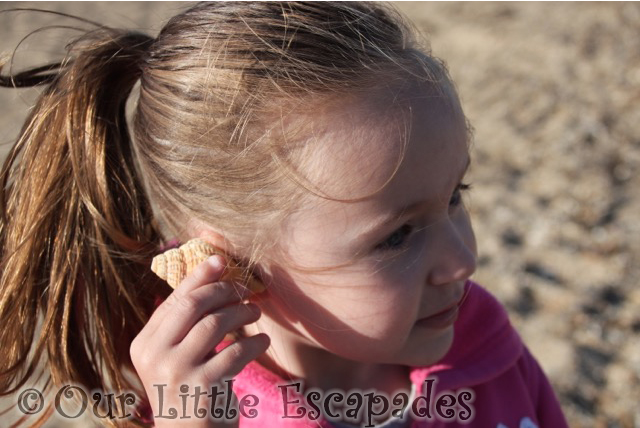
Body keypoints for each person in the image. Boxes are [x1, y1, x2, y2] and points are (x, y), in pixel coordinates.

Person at [0, 2, 568, 427]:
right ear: (230, 264)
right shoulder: (204, 413)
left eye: (455, 194)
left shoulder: (487, 356)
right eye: (395, 237)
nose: (464, 261)